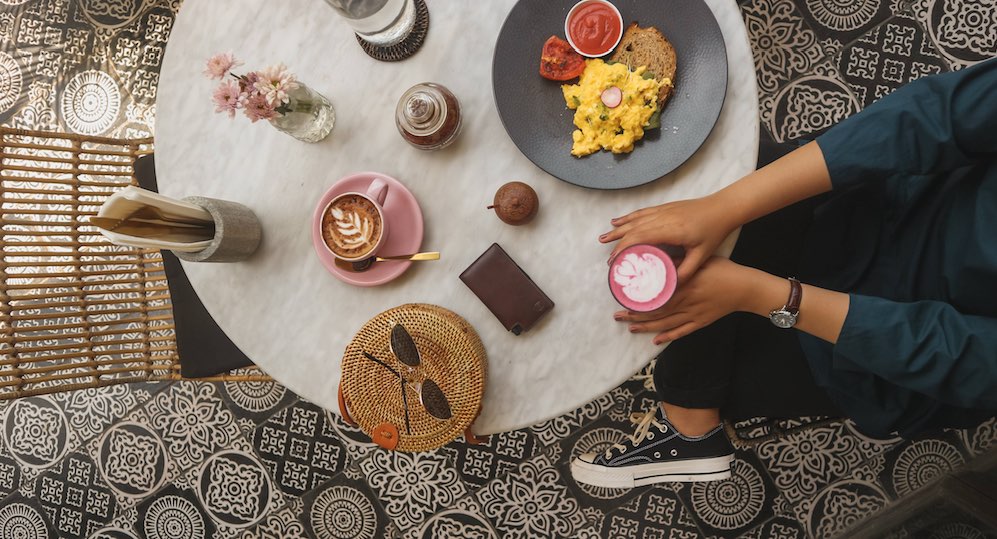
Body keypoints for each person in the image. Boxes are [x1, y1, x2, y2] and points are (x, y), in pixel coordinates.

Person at [570, 58, 997, 488]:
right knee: (693, 183)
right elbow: (934, 117)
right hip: (877, 203)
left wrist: (760, 294)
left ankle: (690, 428)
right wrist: (724, 206)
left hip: (876, 345)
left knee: (697, 368)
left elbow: (968, 361)